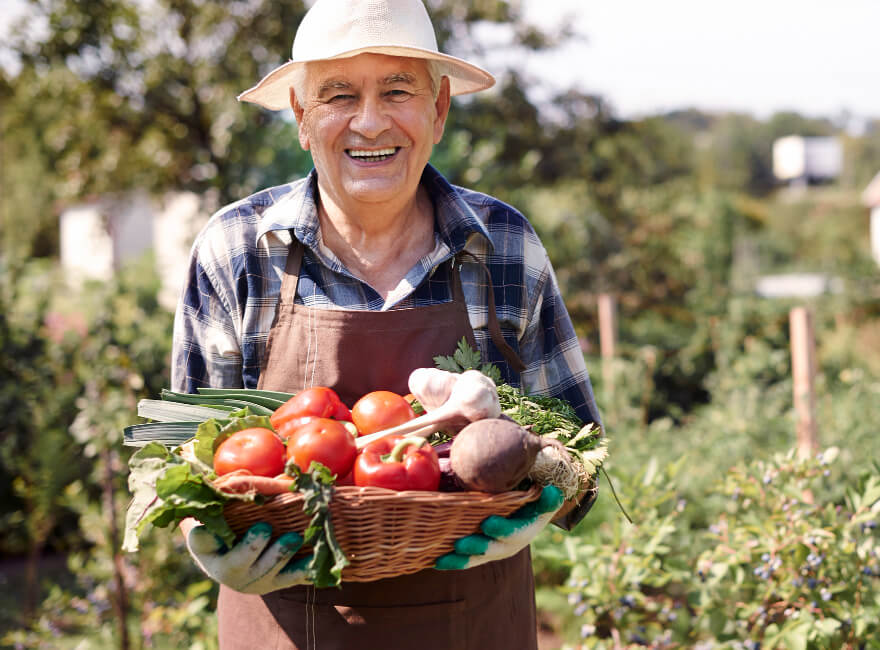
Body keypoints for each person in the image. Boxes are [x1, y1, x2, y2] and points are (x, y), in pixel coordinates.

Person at [170, 0, 600, 647]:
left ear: (439, 109)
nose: (369, 122)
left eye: (397, 90)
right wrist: (200, 537)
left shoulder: (505, 247)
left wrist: (538, 502)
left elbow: (578, 454)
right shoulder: (237, 249)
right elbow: (183, 453)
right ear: (301, 117)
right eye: (338, 95)